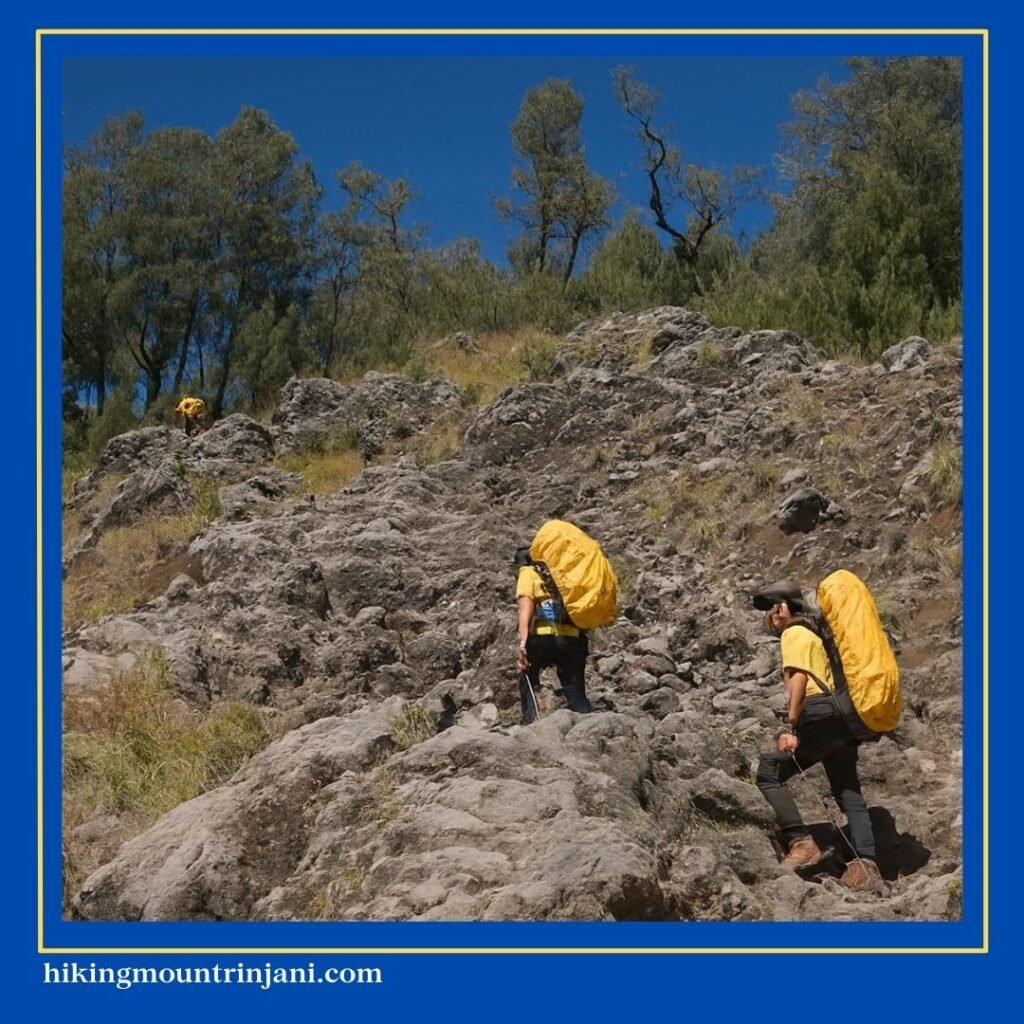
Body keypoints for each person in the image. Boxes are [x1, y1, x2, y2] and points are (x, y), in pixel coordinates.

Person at [751, 580, 883, 892]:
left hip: (817, 713)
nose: (771, 615)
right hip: (841, 718)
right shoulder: (815, 635)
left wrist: (790, 725)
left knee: (769, 771)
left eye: (774, 607)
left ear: (786, 606)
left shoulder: (794, 633)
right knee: (848, 792)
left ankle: (801, 842)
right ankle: (866, 865)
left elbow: (798, 677)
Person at [514, 545, 593, 724]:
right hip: (573, 637)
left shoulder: (527, 572)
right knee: (574, 688)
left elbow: (526, 609)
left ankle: (531, 722)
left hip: (543, 637)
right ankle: (585, 723)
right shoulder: (562, 574)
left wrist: (523, 646)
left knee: (528, 678)